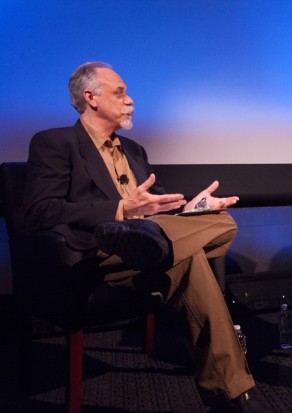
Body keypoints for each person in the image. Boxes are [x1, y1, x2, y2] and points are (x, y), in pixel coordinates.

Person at [23, 62, 269, 413]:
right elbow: (40, 211)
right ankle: (235, 396)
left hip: (147, 243)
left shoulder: (134, 150)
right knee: (190, 257)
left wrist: (193, 208)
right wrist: (121, 210)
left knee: (222, 220)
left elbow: (157, 206)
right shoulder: (54, 142)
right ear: (90, 97)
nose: (131, 101)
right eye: (120, 92)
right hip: (95, 250)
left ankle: (155, 240)